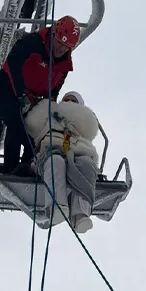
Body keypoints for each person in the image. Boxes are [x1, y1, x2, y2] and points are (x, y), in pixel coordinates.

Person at [0, 15, 81, 176]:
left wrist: (51, 111)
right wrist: (20, 94)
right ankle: (11, 169)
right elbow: (13, 64)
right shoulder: (33, 43)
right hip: (5, 91)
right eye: (59, 42)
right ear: (54, 34)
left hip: (30, 102)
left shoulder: (63, 68)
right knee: (16, 122)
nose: (61, 49)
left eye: (66, 47)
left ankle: (28, 167)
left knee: (35, 132)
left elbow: (53, 92)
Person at [27, 90, 100, 233]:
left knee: (86, 165)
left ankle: (80, 214)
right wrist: (47, 108)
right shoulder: (50, 113)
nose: (69, 103)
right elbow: (32, 124)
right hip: (51, 150)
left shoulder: (83, 123)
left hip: (77, 151)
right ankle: (56, 206)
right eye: (67, 100)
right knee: (56, 161)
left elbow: (88, 133)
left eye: (73, 101)